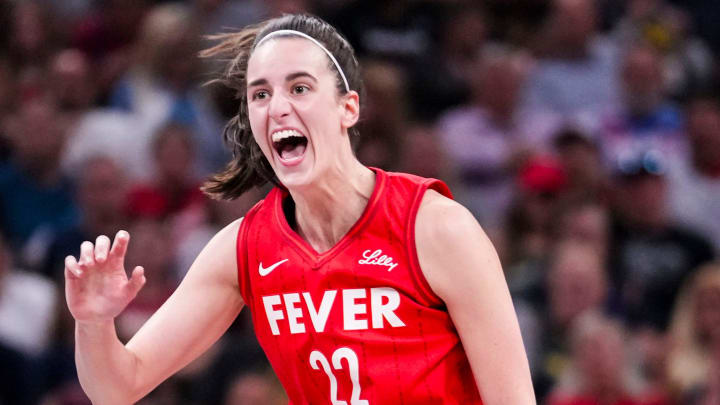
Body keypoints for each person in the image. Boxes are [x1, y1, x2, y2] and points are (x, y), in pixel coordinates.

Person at [64, 14, 535, 405]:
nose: (278, 108)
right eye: (261, 94)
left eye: (300, 88)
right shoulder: (243, 250)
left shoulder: (437, 229)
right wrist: (94, 322)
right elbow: (117, 387)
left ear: (348, 108)